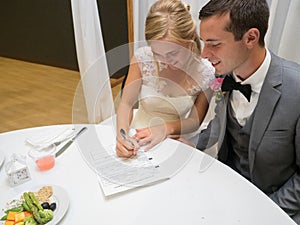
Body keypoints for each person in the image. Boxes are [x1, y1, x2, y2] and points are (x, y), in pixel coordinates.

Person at [196, 0, 300, 222]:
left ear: (251, 38)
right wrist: (188, 144)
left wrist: (262, 213)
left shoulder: (297, 90)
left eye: (214, 44)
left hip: (276, 207)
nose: (204, 55)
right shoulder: (223, 75)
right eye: (203, 43)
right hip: (227, 193)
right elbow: (221, 126)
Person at [116, 0, 214, 158]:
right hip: (137, 134)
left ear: (189, 41)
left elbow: (194, 121)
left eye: (173, 54)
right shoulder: (142, 58)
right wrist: (122, 136)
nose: (165, 61)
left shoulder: (206, 72)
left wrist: (166, 128)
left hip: (175, 138)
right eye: (158, 54)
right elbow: (126, 103)